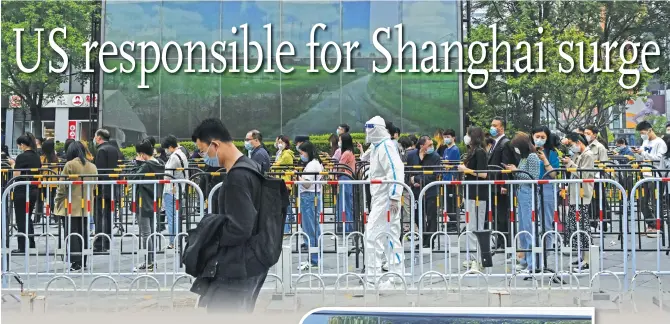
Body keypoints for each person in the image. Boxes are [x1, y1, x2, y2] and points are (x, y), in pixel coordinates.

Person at [190, 118, 268, 313]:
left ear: (215, 145)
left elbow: (240, 227)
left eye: (202, 150)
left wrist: (209, 236)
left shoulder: (237, 178)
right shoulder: (251, 167)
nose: (202, 156)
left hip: (235, 270)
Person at [362, 116, 405, 289]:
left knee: (373, 235)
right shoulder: (378, 146)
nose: (367, 133)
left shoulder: (386, 146)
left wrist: (395, 196)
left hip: (386, 198)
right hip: (381, 197)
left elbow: (396, 170)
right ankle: (395, 278)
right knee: (390, 238)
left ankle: (374, 279)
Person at [54, 142, 98, 271]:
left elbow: (62, 187)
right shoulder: (92, 166)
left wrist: (57, 200)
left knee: (71, 233)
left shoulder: (70, 165)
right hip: (86, 204)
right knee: (83, 233)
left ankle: (75, 262)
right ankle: (83, 261)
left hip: (70, 205)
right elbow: (95, 186)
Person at [504, 133, 541, 272]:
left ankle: (532, 263)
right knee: (523, 228)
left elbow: (533, 177)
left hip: (528, 193)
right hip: (521, 192)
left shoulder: (532, 156)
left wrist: (516, 170)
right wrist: (514, 169)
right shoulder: (524, 158)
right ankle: (525, 259)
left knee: (528, 228)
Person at [561, 132, 596, 273]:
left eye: (571, 144)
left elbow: (584, 174)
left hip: (583, 195)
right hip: (575, 194)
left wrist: (570, 163)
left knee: (583, 226)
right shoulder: (579, 155)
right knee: (576, 227)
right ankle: (582, 256)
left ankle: (588, 260)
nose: (571, 147)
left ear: (578, 142)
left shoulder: (588, 155)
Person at [130, 139, 165, 271]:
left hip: (143, 201)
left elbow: (132, 178)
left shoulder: (146, 165)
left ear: (143, 154)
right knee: (151, 231)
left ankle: (149, 262)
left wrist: (137, 163)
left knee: (146, 233)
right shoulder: (160, 163)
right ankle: (151, 261)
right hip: (154, 200)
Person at [457, 127, 489, 270]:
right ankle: (472, 257)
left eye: (467, 134)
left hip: (478, 193)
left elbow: (483, 174)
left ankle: (478, 258)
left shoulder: (480, 152)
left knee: (477, 227)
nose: (466, 137)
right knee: (470, 226)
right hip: (470, 192)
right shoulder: (472, 151)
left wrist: (466, 170)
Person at [632, 121, 668, 238]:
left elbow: (658, 159)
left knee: (655, 203)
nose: (642, 135)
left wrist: (644, 153)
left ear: (649, 130)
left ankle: (659, 227)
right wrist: (638, 153)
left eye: (643, 132)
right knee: (642, 202)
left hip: (656, 176)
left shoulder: (660, 143)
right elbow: (643, 156)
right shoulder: (645, 141)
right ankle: (651, 224)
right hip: (644, 175)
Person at [406, 136, 441, 249]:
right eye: (429, 145)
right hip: (415, 191)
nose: (432, 147)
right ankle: (423, 237)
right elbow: (408, 171)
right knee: (417, 215)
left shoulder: (435, 156)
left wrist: (417, 179)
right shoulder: (411, 155)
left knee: (431, 216)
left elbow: (433, 175)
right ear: (422, 146)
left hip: (430, 190)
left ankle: (429, 240)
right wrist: (411, 181)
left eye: (432, 145)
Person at [9, 134, 41, 253]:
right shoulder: (37, 156)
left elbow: (16, 175)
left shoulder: (21, 157)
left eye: (19, 145)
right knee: (28, 216)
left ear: (22, 145)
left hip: (21, 190)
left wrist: (13, 164)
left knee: (21, 218)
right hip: (33, 189)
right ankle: (31, 242)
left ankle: (22, 246)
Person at [488, 117, 517, 248]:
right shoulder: (494, 143)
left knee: (502, 214)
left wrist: (505, 184)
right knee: (496, 214)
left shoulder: (505, 143)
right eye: (492, 125)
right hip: (494, 183)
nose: (492, 127)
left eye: (495, 125)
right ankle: (499, 240)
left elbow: (506, 164)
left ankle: (506, 241)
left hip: (501, 185)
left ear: (502, 127)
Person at [296, 141, 324, 270]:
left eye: (302, 153)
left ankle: (314, 259)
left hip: (309, 197)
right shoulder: (315, 163)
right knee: (313, 228)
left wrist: (297, 176)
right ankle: (314, 258)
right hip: (311, 197)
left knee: (310, 229)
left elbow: (307, 184)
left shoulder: (312, 165)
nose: (301, 155)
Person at [532, 126, 560, 248]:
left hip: (547, 188)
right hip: (530, 188)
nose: (539, 139)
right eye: (537, 136)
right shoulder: (527, 151)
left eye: (543, 137)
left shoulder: (551, 153)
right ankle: (530, 252)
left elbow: (553, 174)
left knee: (546, 223)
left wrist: (545, 160)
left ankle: (546, 251)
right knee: (530, 223)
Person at [93, 129, 121, 252]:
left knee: (99, 216)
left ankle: (100, 243)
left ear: (99, 137)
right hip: (112, 186)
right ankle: (107, 242)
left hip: (102, 188)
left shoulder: (101, 150)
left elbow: (99, 171)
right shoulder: (114, 149)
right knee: (108, 215)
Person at [161, 135, 189, 249]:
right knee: (176, 216)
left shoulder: (174, 157)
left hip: (171, 190)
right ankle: (177, 240)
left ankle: (173, 241)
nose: (166, 151)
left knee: (171, 217)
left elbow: (167, 176)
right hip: (179, 189)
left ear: (170, 147)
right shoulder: (182, 154)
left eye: (167, 148)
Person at [274, 135, 295, 234]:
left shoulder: (286, 154)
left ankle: (286, 229)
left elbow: (276, 165)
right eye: (279, 142)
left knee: (284, 205)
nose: (279, 144)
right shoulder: (281, 153)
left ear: (286, 143)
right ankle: (287, 225)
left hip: (285, 181)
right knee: (285, 205)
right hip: (281, 181)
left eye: (282, 142)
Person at [442, 129, 461, 232]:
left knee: (452, 202)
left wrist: (449, 167)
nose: (446, 139)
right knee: (448, 202)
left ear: (453, 137)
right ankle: (450, 222)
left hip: (452, 179)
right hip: (446, 178)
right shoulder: (445, 150)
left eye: (448, 136)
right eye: (444, 137)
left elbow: (454, 164)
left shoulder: (455, 149)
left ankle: (454, 223)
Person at [336, 133, 356, 234]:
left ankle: (346, 227)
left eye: (340, 140)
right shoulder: (350, 152)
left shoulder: (346, 154)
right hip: (348, 179)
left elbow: (340, 167)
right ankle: (347, 226)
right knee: (347, 203)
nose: (339, 142)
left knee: (345, 204)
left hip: (345, 179)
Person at [38, 139, 60, 226]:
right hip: (53, 183)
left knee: (40, 201)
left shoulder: (42, 159)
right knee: (51, 201)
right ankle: (56, 218)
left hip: (42, 183)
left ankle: (37, 219)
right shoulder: (56, 159)